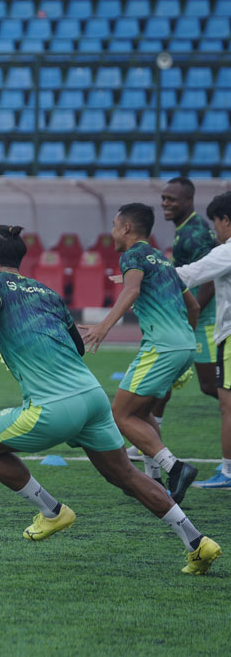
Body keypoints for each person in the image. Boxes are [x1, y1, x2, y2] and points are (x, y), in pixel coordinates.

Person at [0, 224, 220, 575]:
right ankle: (198, 542)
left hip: (54, 406)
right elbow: (76, 347)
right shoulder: (47, 292)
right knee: (126, 474)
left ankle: (52, 511)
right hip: (92, 397)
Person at [82, 204, 200, 503]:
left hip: (162, 347)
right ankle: (155, 479)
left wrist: (104, 326)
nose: (111, 232)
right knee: (142, 412)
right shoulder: (162, 259)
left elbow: (131, 291)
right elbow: (194, 307)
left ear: (126, 228)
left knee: (120, 415)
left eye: (113, 225)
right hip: (184, 344)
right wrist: (184, 341)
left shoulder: (132, 255)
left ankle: (175, 468)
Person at [135, 177, 219, 452]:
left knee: (210, 386)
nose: (165, 203)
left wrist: (191, 315)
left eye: (172, 199)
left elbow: (210, 279)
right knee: (164, 377)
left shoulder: (194, 232)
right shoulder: (185, 229)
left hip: (202, 320)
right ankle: (149, 436)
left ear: (189, 201)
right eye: (164, 198)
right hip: (190, 317)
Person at [177, 191, 231, 489]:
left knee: (228, 405)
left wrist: (142, 274)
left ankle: (228, 472)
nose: (215, 231)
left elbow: (188, 275)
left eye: (217, 222)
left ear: (226, 220)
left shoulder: (226, 251)